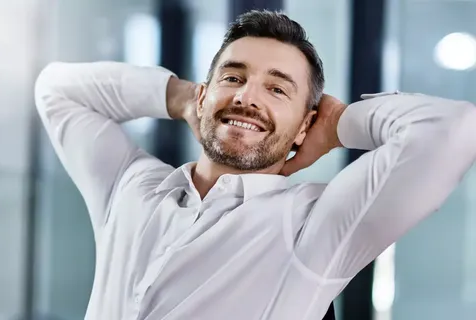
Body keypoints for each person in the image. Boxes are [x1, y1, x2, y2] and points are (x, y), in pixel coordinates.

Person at [34, 9, 476, 320]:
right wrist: (180, 97)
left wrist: (340, 124)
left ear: (305, 125)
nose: (247, 97)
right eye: (233, 77)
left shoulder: (316, 225)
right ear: (206, 95)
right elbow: (56, 90)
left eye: (277, 89)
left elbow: (453, 130)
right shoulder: (129, 188)